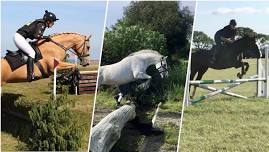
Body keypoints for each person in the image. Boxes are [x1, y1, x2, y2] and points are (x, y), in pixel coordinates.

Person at [14, 10, 59, 81]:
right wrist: (45, 37)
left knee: (30, 51)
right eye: (52, 21)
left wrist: (43, 38)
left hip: (19, 37)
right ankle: (30, 75)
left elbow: (34, 36)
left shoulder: (40, 22)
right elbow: (37, 36)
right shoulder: (42, 24)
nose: (53, 23)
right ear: (48, 21)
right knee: (32, 53)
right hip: (19, 37)